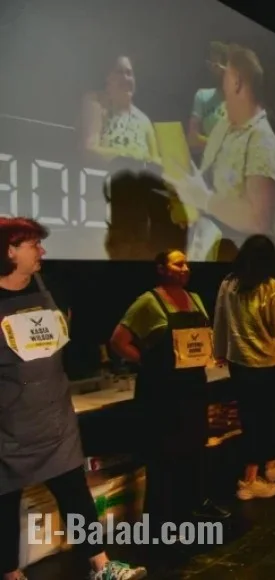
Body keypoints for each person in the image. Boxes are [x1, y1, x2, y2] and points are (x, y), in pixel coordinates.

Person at [0, 217, 145, 580]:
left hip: (55, 420)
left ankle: (102, 566)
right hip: (9, 427)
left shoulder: (51, 289)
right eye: (34, 245)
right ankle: (10, 574)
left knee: (76, 495)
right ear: (10, 251)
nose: (42, 251)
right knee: (4, 502)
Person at [109, 250, 229, 535]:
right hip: (162, 391)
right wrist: (148, 362)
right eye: (178, 263)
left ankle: (194, 505)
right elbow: (118, 341)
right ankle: (161, 520)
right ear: (161, 269)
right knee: (164, 455)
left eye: (186, 263)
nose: (185, 268)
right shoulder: (148, 302)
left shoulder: (195, 299)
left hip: (193, 387)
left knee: (194, 448)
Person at [168, 44, 275, 263]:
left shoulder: (262, 141)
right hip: (212, 255)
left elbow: (258, 220)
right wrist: (186, 192)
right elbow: (207, 181)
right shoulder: (224, 126)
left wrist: (204, 199)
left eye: (225, 76)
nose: (221, 84)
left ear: (237, 82)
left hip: (250, 267)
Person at [213, 235, 275, 500]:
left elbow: (220, 320)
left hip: (239, 363)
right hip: (269, 363)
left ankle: (269, 465)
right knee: (268, 421)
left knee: (251, 419)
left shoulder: (228, 283)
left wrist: (219, 351)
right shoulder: (269, 286)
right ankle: (251, 480)